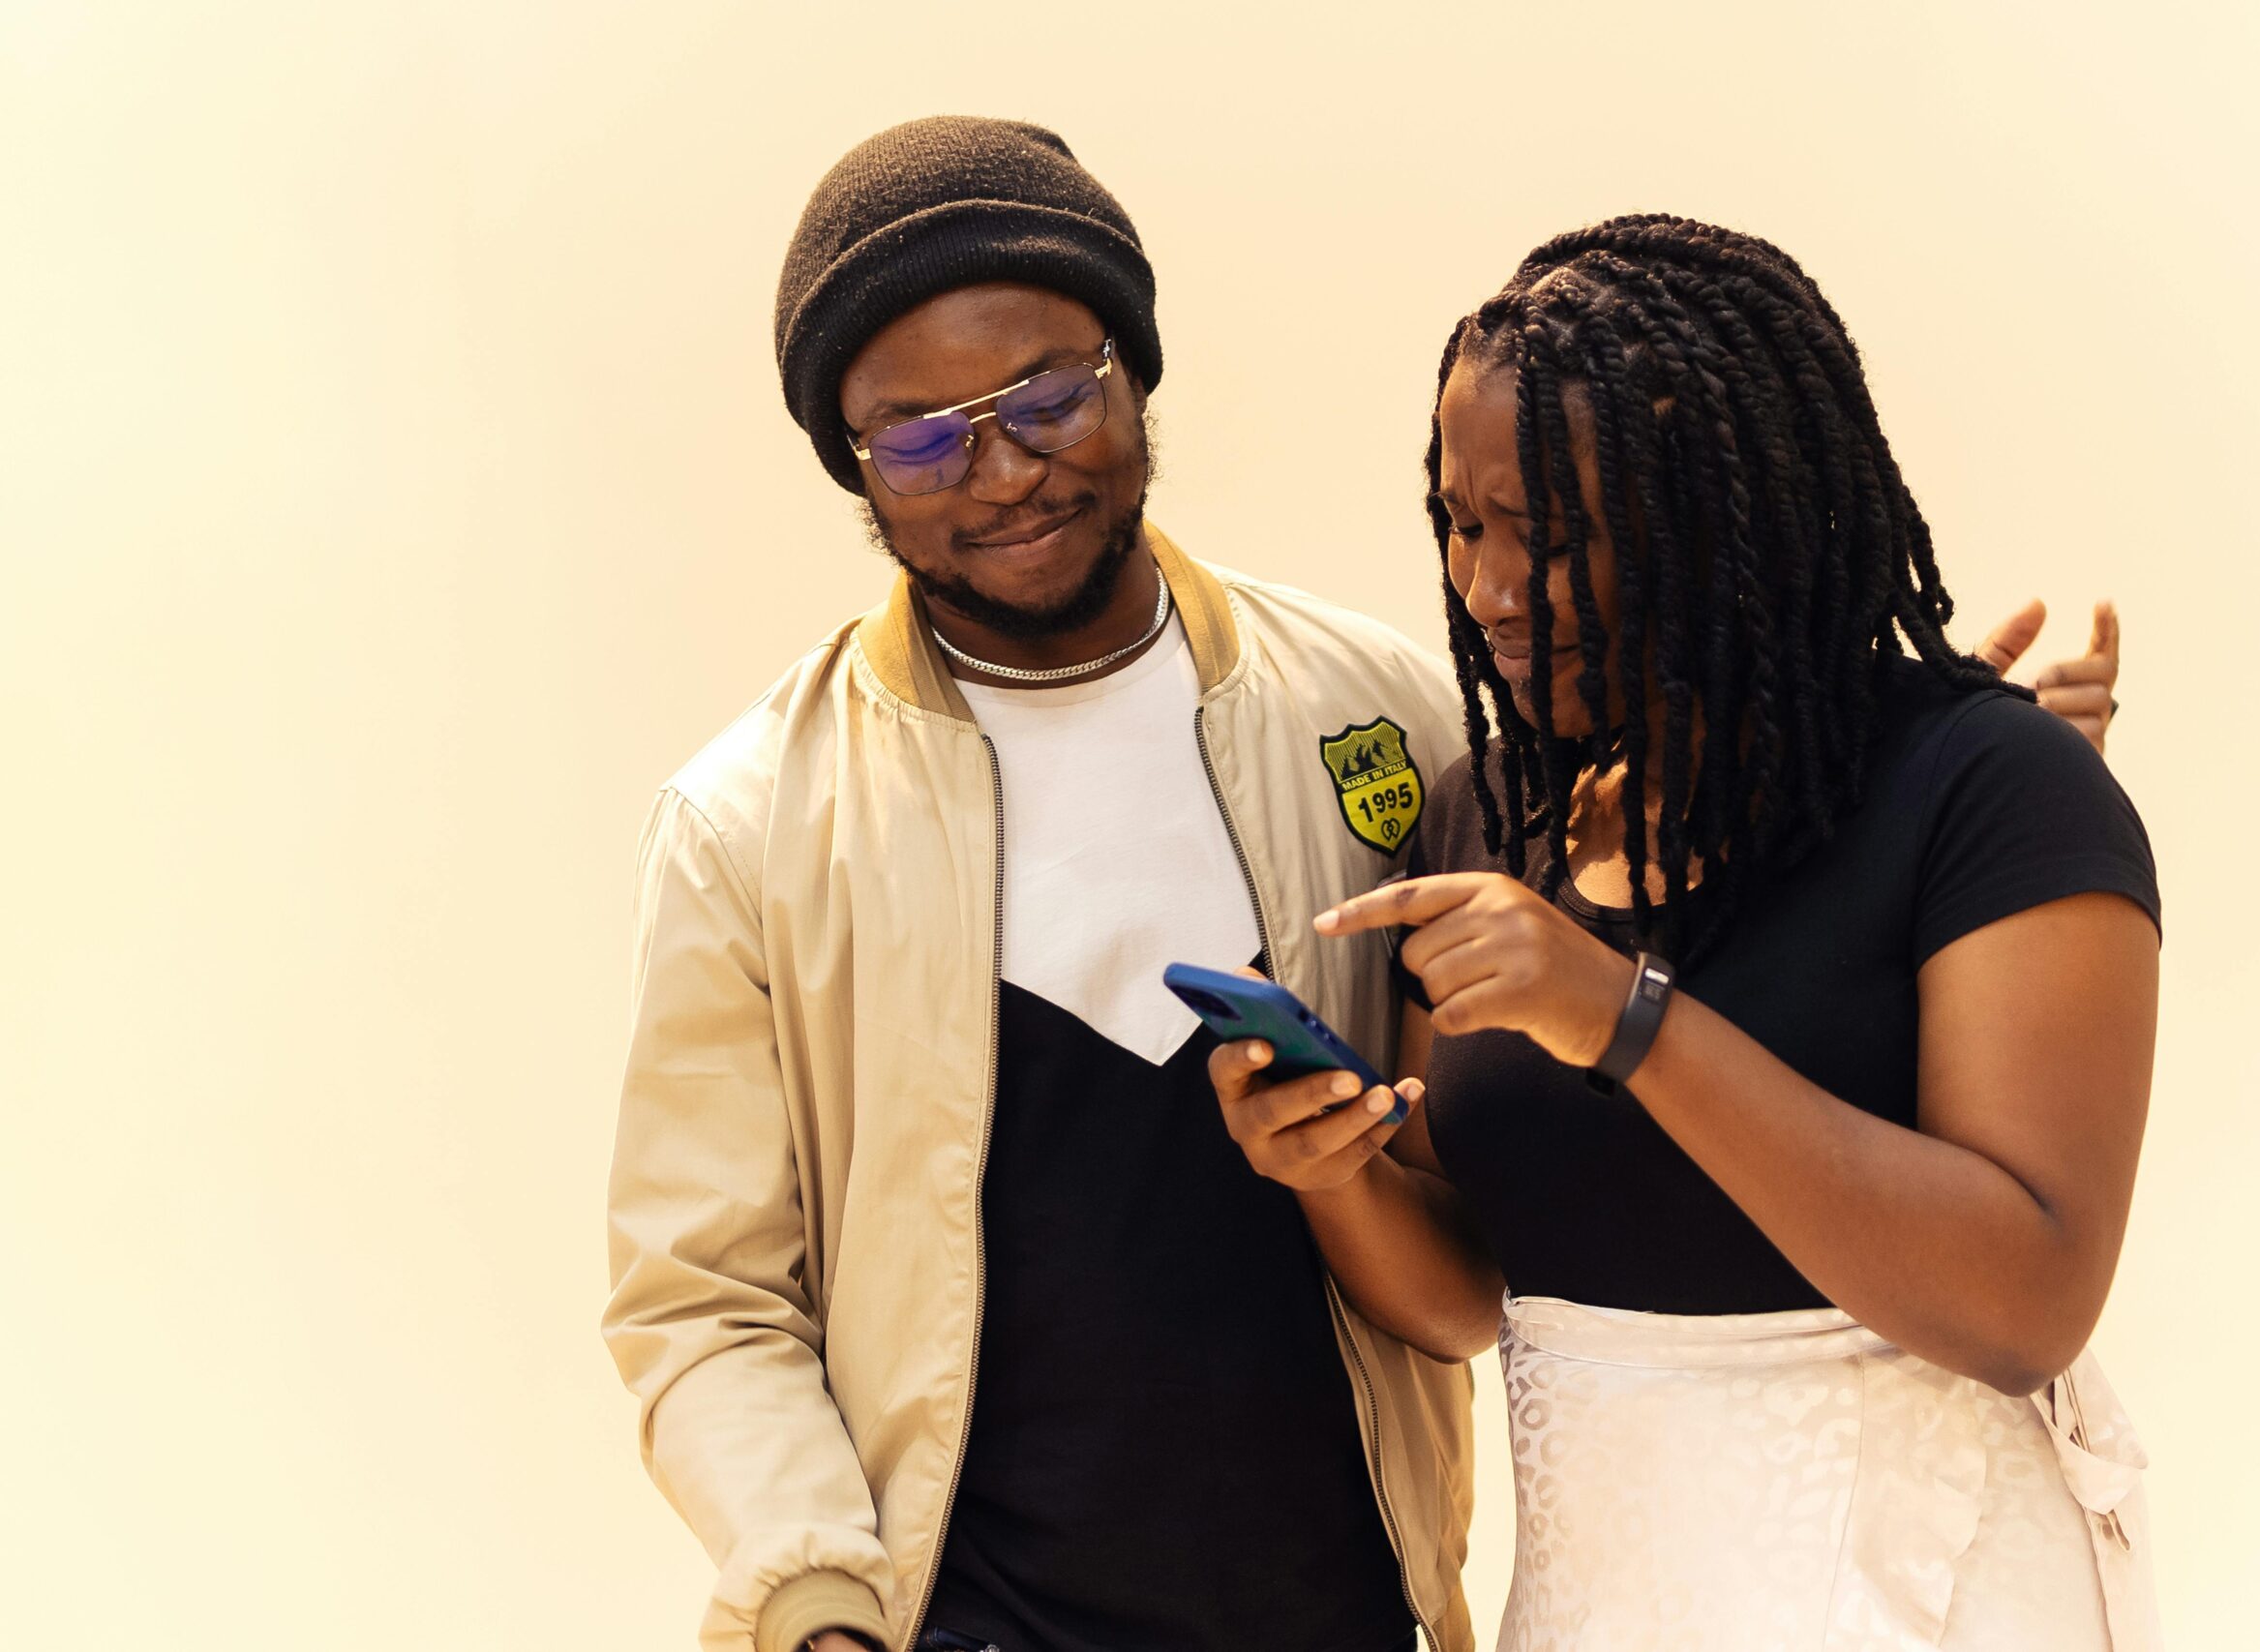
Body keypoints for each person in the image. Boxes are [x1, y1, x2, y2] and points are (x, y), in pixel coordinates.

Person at [1211, 217, 2164, 1650]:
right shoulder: (1493, 816)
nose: (1493, 591)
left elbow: (2029, 1300)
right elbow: (1473, 1294)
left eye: (1560, 535)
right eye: (1467, 527)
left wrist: (1627, 1018)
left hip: (1930, 1600)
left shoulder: (1989, 792)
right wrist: (1328, 1173)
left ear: (1738, 514)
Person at [602, 116, 1478, 1652]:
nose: (1002, 471)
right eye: (920, 436)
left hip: (1349, 1609)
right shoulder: (751, 823)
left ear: (1132, 369)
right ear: (854, 465)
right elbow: (704, 1299)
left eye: (1050, 396)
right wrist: (815, 1602)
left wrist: (1958, 765)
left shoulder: (1380, 714)